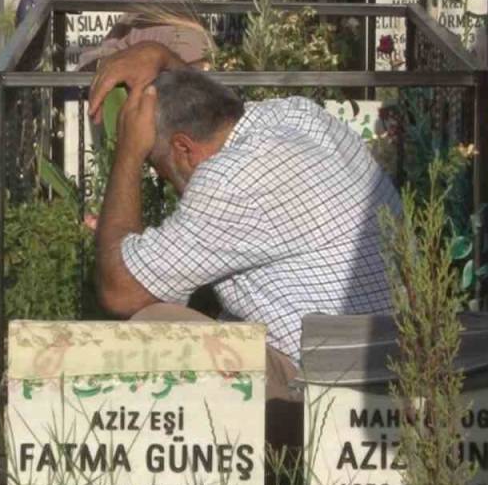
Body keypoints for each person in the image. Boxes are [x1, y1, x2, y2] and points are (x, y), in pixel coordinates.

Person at [88, 40, 401, 448]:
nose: (167, 183)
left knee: (157, 328)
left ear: (183, 148)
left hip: (322, 397)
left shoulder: (230, 180)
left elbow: (120, 289)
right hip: (391, 367)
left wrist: (128, 154)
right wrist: (164, 59)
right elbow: (205, 105)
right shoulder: (298, 116)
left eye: (160, 169)